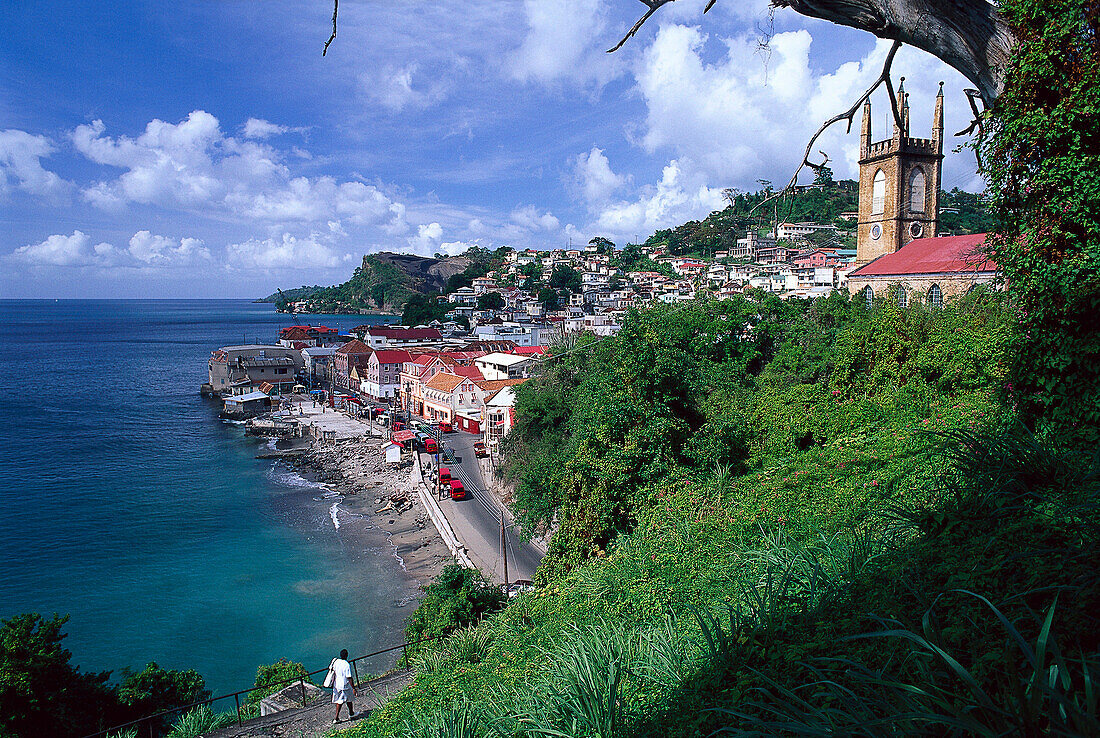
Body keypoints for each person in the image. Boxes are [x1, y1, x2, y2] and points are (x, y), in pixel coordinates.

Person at [328, 648, 356, 723]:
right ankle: (337, 718)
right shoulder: (346, 664)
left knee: (348, 699)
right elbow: (349, 677)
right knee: (342, 701)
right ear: (347, 655)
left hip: (337, 685)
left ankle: (351, 713)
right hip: (345, 685)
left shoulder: (336, 662)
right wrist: (353, 688)